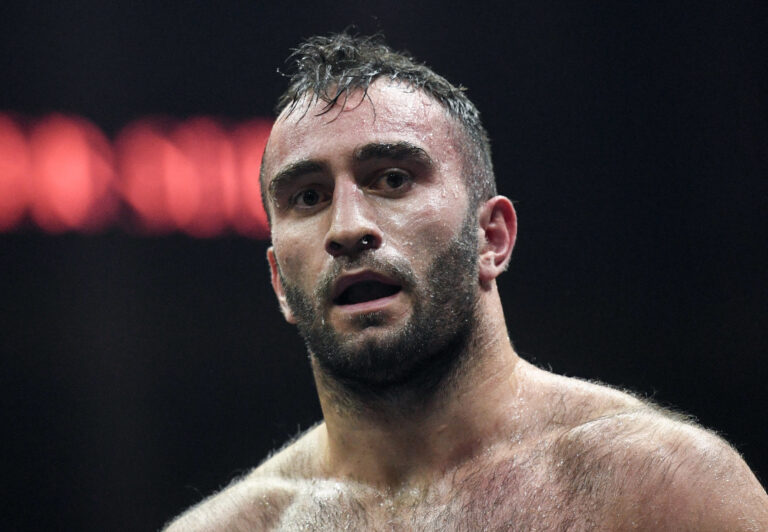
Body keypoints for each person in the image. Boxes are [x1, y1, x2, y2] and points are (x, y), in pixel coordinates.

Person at [165, 33, 768, 531]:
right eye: (308, 197)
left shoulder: (666, 492)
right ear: (278, 281)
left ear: (491, 238)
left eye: (392, 179)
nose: (347, 228)